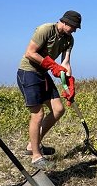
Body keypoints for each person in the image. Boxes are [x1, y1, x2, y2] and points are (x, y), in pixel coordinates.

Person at [16, 11, 81, 169]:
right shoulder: (46, 30)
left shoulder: (69, 40)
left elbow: (65, 63)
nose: (74, 30)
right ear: (64, 22)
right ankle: (36, 157)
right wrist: (52, 65)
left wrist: (68, 83)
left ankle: (33, 145)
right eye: (73, 26)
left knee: (58, 109)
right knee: (38, 114)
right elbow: (30, 53)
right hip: (28, 73)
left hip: (43, 74)